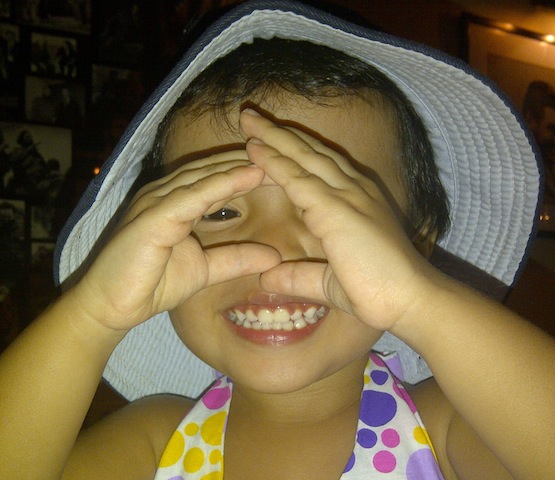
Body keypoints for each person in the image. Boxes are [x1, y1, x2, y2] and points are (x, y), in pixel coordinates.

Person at [1, 1, 554, 479]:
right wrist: (92, 316)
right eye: (219, 211)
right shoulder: (151, 442)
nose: (270, 253)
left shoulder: (448, 427)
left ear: (415, 244)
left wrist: (420, 299)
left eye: (325, 209)